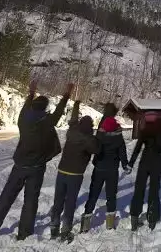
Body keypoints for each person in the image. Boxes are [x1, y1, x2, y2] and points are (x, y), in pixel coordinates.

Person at [0, 81, 73, 243]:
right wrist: (66, 95)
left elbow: (25, 108)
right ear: (45, 108)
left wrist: (31, 93)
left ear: (33, 107)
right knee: (30, 202)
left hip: (19, 166)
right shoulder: (47, 122)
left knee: (5, 199)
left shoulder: (23, 120)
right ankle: (24, 234)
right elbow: (58, 111)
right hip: (36, 168)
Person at [49, 100, 99, 241]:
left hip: (62, 171)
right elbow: (97, 150)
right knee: (70, 202)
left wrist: (76, 105)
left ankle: (54, 227)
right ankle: (65, 230)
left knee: (58, 200)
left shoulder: (71, 131)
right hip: (75, 175)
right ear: (91, 127)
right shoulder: (89, 139)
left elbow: (72, 119)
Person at [80, 105, 130, 233]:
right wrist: (125, 165)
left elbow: (95, 149)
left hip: (99, 169)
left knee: (93, 194)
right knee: (111, 195)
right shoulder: (118, 138)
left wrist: (94, 160)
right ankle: (109, 224)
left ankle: (85, 224)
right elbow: (122, 153)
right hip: (112, 170)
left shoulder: (100, 136)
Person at [127, 97, 161, 231]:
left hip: (144, 162)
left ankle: (134, 219)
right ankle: (152, 220)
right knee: (154, 191)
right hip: (156, 163)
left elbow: (137, 149)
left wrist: (130, 164)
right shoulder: (160, 129)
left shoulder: (144, 131)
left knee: (139, 190)